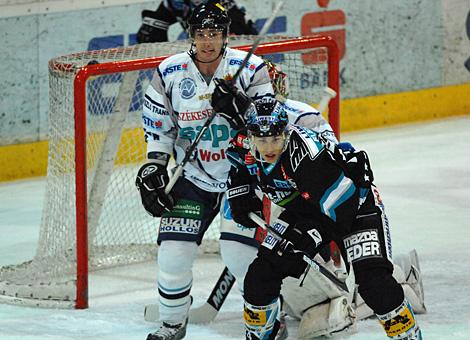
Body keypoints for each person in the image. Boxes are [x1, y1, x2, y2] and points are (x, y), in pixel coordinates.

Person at [225, 100, 423, 339]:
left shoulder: (306, 158)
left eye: (275, 139)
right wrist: (241, 193)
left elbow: (342, 211)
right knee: (260, 276)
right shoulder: (242, 144)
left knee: (375, 285)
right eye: (262, 140)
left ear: (285, 134)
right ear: (250, 136)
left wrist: (310, 236)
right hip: (307, 209)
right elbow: (238, 168)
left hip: (356, 207)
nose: (269, 148)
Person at [134, 3, 273, 339]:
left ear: (225, 35)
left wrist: (240, 109)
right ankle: (172, 324)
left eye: (214, 33)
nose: (207, 41)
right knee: (172, 256)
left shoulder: (250, 68)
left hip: (242, 177)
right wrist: (154, 168)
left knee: (240, 256)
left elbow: (271, 127)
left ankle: (268, 325)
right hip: (193, 178)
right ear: (192, 35)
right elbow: (159, 130)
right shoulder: (169, 73)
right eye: (200, 34)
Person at [137, 0, 257, 43]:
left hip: (240, 49)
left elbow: (238, 33)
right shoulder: (176, 3)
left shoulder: (223, 5)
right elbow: (150, 32)